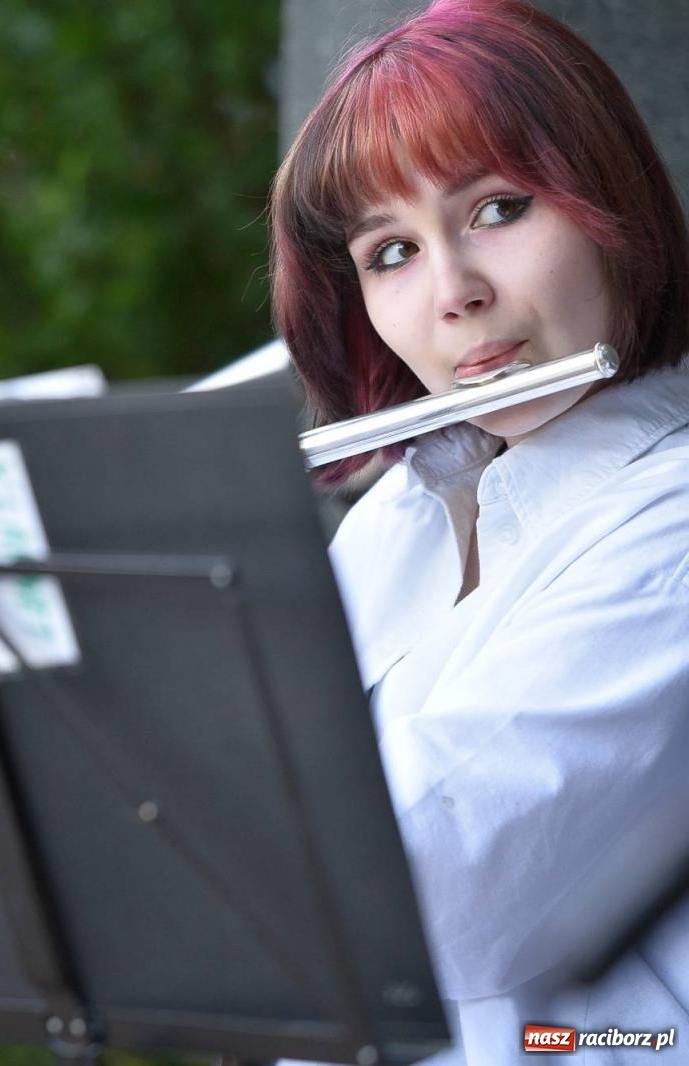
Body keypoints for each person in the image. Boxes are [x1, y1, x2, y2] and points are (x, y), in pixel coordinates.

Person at [271, 0, 689, 1062]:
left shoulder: (673, 519)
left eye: (500, 209)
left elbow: (423, 885)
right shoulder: (394, 518)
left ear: (610, 207)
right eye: (390, 251)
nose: (452, 293)